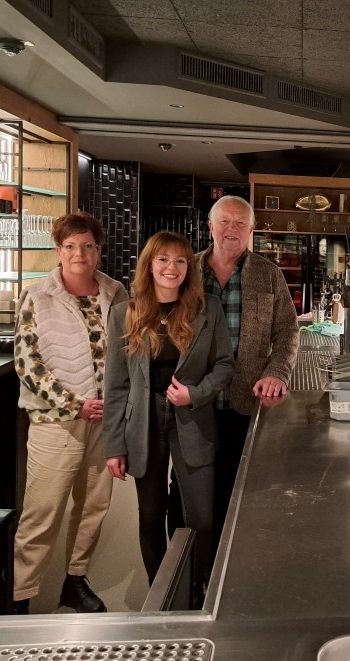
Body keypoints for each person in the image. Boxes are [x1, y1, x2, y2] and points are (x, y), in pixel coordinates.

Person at [103, 232, 234, 593]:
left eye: (180, 260)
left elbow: (224, 365)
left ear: (189, 267)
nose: (171, 267)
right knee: (150, 514)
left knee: (201, 516)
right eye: (162, 259)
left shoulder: (208, 308)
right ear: (149, 265)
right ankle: (159, 588)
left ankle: (198, 584)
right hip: (143, 420)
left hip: (192, 418)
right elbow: (115, 385)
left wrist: (196, 393)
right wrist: (114, 446)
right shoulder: (124, 314)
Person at [11, 212, 128, 614]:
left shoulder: (115, 292)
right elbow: (28, 364)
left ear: (99, 250)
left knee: (93, 508)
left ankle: (75, 581)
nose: (80, 254)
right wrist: (74, 404)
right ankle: (20, 596)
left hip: (104, 421)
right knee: (42, 512)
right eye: (71, 246)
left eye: (87, 246)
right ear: (58, 250)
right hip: (55, 422)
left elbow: (127, 353)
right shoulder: (37, 296)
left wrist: (116, 406)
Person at [196, 195, 299, 558]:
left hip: (246, 401)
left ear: (251, 230)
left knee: (237, 489)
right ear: (210, 226)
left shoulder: (268, 274)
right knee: (191, 489)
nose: (232, 229)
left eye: (241, 223)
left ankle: (228, 564)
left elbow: (287, 331)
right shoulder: (187, 271)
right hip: (194, 403)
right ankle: (193, 568)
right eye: (224, 221)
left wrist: (277, 372)